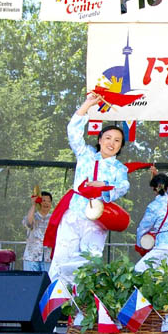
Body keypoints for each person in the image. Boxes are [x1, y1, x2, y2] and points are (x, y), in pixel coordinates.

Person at [48, 92, 130, 286]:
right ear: (100, 139)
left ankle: (82, 300)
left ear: (120, 146)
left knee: (90, 261)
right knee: (62, 257)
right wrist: (87, 104)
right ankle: (56, 297)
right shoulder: (85, 154)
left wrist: (104, 186)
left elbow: (123, 186)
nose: (111, 143)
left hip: (97, 218)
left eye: (117, 140)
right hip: (74, 212)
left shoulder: (120, 169)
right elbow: (73, 131)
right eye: (108, 138)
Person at [135, 166, 168, 287]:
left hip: (165, 245)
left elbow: (143, 228)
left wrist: (140, 245)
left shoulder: (153, 206)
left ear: (154, 189)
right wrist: (157, 175)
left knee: (139, 270)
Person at [22, 190, 53, 272]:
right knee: (31, 279)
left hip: (48, 257)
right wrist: (33, 205)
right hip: (31, 257)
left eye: (49, 201)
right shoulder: (33, 216)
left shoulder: (53, 218)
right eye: (43, 201)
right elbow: (28, 223)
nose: (46, 203)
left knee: (47, 279)